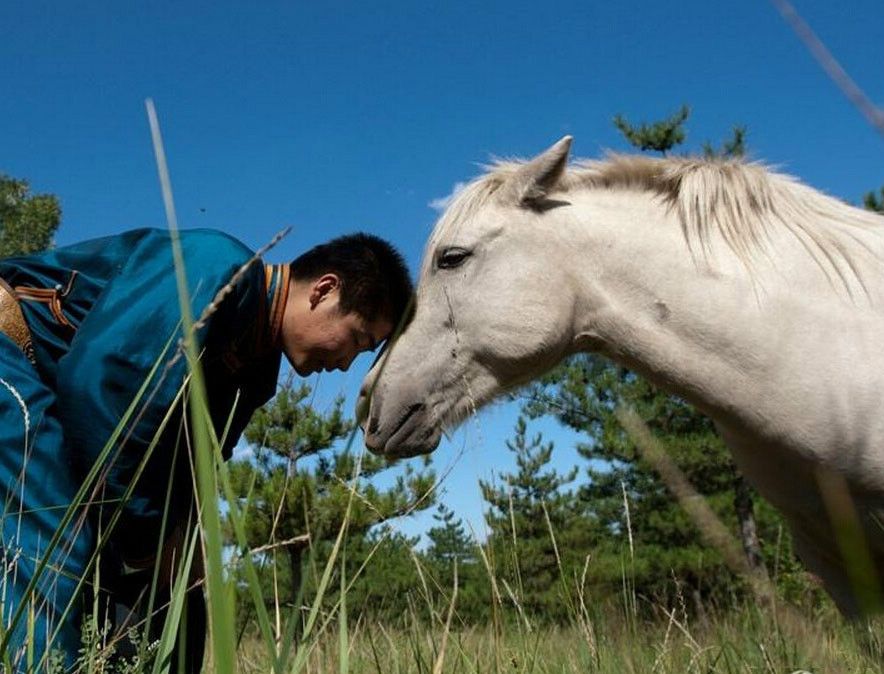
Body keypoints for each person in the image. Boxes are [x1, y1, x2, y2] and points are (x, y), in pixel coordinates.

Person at [0, 227, 412, 672]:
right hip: (14, 357)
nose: (346, 364)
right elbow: (100, 388)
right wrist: (146, 548)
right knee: (50, 518)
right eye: (357, 339)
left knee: (179, 589)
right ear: (324, 291)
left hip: (65, 413)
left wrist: (184, 551)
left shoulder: (256, 372)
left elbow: (193, 467)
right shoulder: (217, 267)